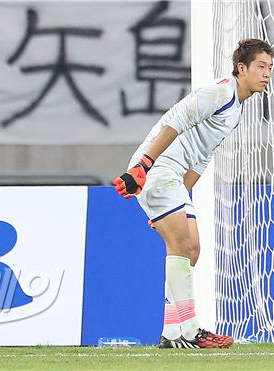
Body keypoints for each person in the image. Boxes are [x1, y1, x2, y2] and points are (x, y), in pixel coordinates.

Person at [114, 39, 273, 349]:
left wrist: (176, 203)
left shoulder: (236, 108)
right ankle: (191, 330)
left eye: (270, 68)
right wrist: (143, 167)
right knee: (181, 244)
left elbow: (201, 156)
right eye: (261, 67)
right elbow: (174, 121)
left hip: (174, 178)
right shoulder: (219, 92)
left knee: (193, 249)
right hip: (158, 168)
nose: (267, 74)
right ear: (242, 68)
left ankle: (171, 334)